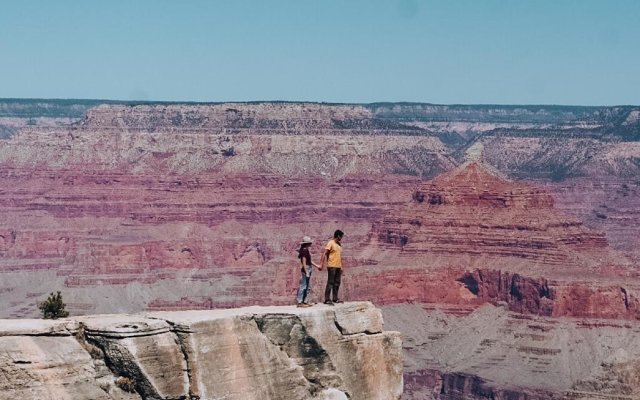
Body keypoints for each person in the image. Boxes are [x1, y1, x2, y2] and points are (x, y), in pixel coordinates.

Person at [320, 229, 344, 305]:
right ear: (338, 236)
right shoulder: (331, 243)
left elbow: (339, 256)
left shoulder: (339, 245)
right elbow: (324, 253)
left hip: (338, 266)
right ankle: (327, 299)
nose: (342, 238)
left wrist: (341, 266)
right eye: (341, 236)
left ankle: (335, 298)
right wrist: (321, 264)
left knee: (337, 282)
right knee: (330, 282)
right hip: (331, 266)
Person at [296, 236, 321, 307]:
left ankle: (304, 301)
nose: (311, 243)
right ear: (307, 243)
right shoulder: (304, 250)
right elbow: (304, 262)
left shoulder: (306, 250)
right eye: (310, 242)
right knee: (303, 285)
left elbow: (309, 261)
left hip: (308, 268)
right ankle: (300, 302)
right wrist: (306, 271)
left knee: (307, 286)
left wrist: (317, 266)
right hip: (306, 268)